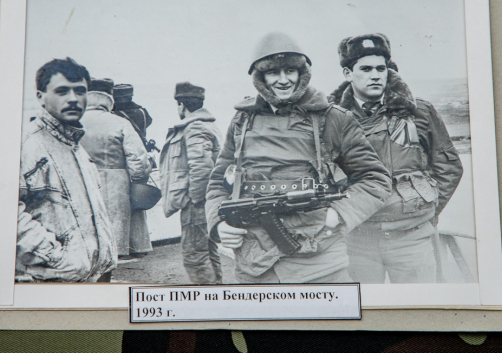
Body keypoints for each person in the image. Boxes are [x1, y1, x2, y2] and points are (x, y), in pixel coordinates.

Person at [205, 33, 391, 284]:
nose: (283, 80)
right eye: (273, 73)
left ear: (302, 73)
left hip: (320, 263)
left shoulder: (333, 118)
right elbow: (218, 182)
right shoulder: (242, 120)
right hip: (254, 265)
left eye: (290, 71)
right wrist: (218, 223)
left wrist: (338, 214)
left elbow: (375, 179)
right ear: (260, 77)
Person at [329, 33, 464, 283]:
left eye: (381, 68)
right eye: (366, 69)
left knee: (421, 303)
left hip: (412, 239)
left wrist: (427, 211)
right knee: (363, 304)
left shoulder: (419, 112)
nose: (375, 75)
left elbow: (449, 167)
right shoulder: (331, 119)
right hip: (356, 240)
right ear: (348, 73)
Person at [16, 57, 117, 282]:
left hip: (92, 277)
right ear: (40, 97)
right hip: (51, 280)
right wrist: (58, 258)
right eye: (62, 91)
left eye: (80, 91)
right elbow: (7, 214)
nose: (73, 99)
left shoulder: (77, 148)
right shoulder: (25, 144)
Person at [80, 78, 152, 260]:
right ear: (109, 97)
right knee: (118, 221)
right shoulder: (119, 122)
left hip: (82, 178)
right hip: (116, 179)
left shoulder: (73, 122)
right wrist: (139, 179)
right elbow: (138, 159)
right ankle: (125, 250)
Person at [159, 82, 223, 284]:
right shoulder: (205, 124)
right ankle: (217, 294)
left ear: (181, 104)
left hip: (197, 203)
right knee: (207, 252)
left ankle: (207, 299)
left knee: (194, 257)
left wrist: (195, 200)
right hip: (204, 201)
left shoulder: (195, 127)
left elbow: (201, 167)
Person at [112, 83, 155, 256]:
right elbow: (149, 123)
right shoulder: (142, 112)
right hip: (140, 158)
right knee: (138, 204)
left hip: (121, 163)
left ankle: (122, 247)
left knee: (120, 207)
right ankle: (140, 246)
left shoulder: (115, 115)